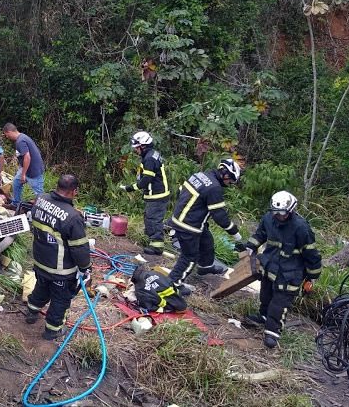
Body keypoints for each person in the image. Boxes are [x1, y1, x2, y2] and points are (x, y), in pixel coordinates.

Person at [235, 191, 322, 349]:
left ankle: (272, 332)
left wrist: (312, 276)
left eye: (282, 213)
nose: (278, 216)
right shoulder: (269, 219)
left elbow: (311, 253)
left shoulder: (301, 227)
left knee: (279, 303)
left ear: (291, 210)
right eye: (275, 213)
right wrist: (249, 247)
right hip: (270, 265)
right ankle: (263, 316)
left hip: (290, 273)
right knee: (266, 295)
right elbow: (260, 234)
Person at [25, 175, 92, 340]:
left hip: (40, 261)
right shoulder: (73, 218)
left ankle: (32, 311)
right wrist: (86, 268)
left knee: (41, 287)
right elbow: (80, 249)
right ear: (74, 191)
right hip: (60, 269)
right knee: (60, 299)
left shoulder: (40, 200)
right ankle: (52, 330)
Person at [166, 158, 244, 296]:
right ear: (225, 174)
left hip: (182, 218)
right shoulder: (214, 188)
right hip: (188, 226)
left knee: (206, 241)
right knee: (189, 256)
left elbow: (180, 191)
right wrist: (236, 235)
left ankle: (205, 267)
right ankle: (174, 283)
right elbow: (220, 216)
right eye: (231, 180)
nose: (230, 183)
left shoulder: (200, 175)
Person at [119, 131, 170, 256]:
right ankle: (152, 242)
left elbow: (146, 180)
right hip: (155, 194)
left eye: (137, 148)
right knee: (149, 218)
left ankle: (157, 247)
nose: (136, 150)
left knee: (154, 219)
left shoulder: (149, 159)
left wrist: (130, 188)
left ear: (143, 145)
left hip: (157, 195)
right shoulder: (151, 155)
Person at [2, 123, 45, 209]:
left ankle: (41, 210)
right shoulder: (22, 137)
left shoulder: (20, 141)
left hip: (33, 170)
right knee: (16, 183)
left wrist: (23, 174)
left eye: (7, 135)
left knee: (39, 194)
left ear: (9, 132)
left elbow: (27, 157)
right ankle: (15, 204)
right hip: (26, 168)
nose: (7, 137)